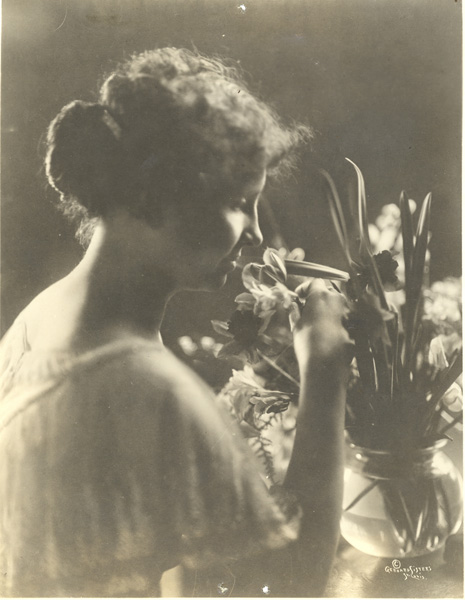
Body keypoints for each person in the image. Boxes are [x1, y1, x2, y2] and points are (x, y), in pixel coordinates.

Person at [0, 48, 351, 597]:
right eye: (240, 202)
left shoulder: (40, 317)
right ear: (157, 195)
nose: (256, 235)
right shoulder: (144, 385)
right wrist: (325, 372)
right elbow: (290, 586)